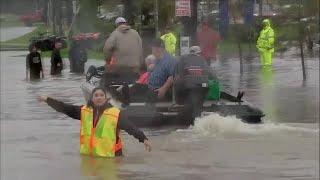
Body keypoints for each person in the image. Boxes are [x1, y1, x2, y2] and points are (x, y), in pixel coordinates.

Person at [38, 87, 152, 157]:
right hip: (90, 157)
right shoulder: (84, 111)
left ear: (106, 98)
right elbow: (65, 108)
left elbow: (130, 128)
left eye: (101, 95)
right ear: (92, 98)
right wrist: (47, 100)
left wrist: (143, 139)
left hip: (112, 158)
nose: (99, 97)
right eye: (96, 95)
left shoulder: (116, 114)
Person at [173, 46, 213, 119]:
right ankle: (198, 107)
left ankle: (180, 103)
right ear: (199, 53)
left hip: (189, 87)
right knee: (202, 92)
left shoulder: (182, 59)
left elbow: (178, 76)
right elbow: (211, 76)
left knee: (178, 82)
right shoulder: (203, 59)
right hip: (203, 87)